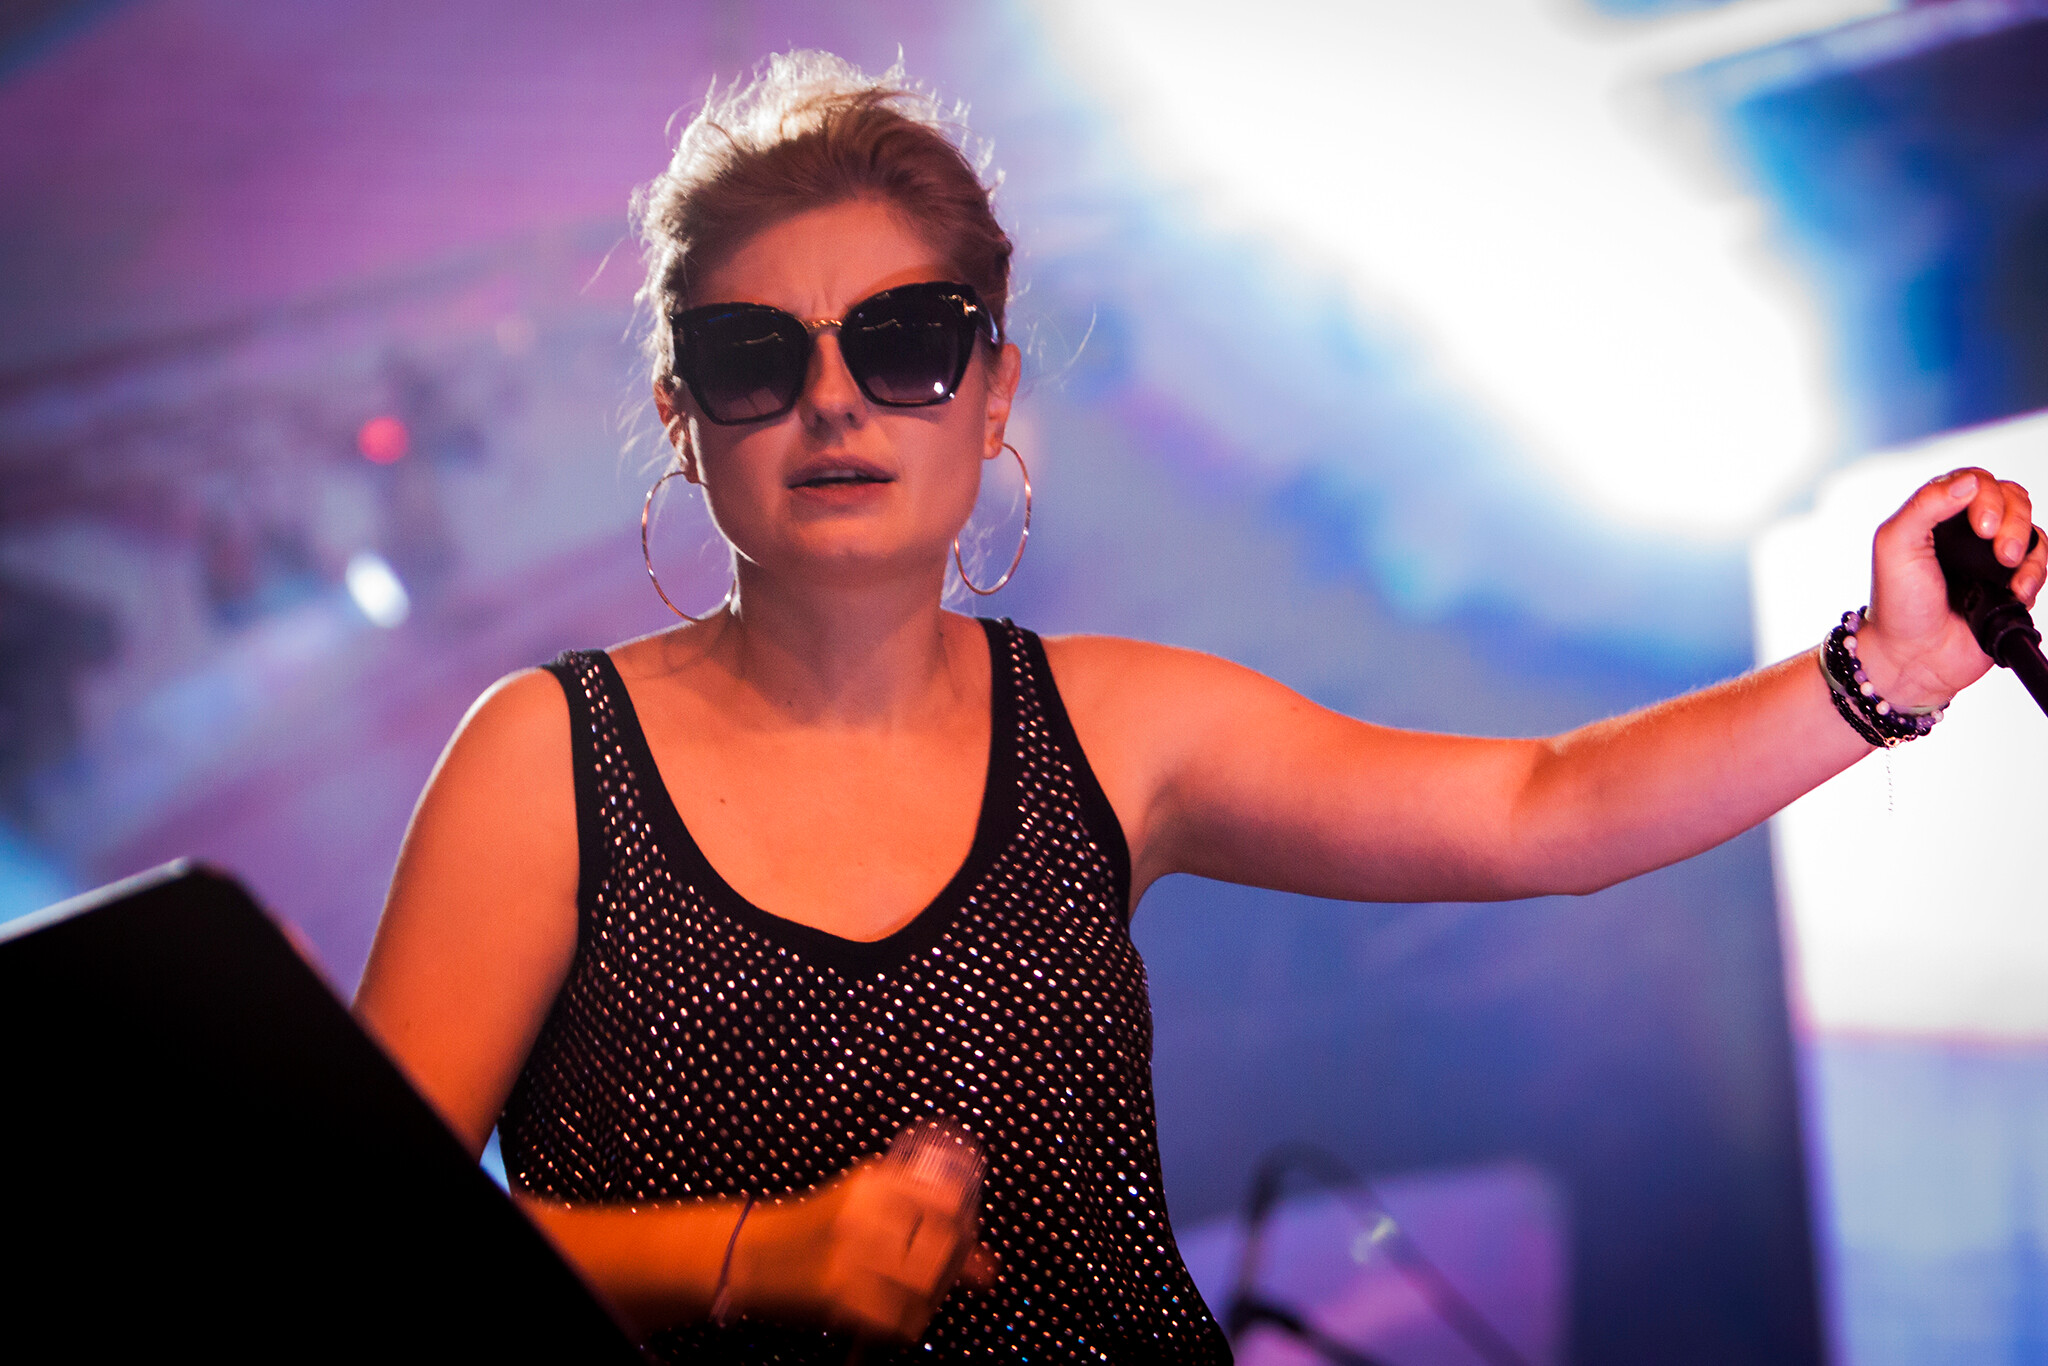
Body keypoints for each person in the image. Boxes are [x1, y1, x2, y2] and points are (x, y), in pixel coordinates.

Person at [352, 51, 2044, 1364]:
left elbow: (1537, 806)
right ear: (682, 412)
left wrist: (1883, 672)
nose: (835, 401)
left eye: (907, 340)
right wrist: (752, 1255)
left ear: (995, 391)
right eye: (755, 355)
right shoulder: (547, 760)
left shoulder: (1108, 727)